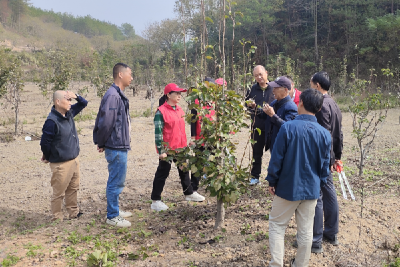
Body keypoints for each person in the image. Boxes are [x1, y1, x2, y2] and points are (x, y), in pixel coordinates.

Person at [266, 88, 331, 267]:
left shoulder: (288, 128)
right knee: (305, 231)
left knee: (278, 226)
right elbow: (325, 166)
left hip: (287, 187)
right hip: (311, 189)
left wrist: (272, 180)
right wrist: (319, 184)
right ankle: (301, 264)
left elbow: (276, 158)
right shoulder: (324, 134)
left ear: (300, 102)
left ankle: (276, 264)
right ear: (318, 109)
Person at [151, 83, 205, 212]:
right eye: (177, 93)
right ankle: (155, 200)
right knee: (162, 173)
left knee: (184, 171)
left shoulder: (179, 109)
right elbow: (158, 133)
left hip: (180, 148)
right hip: (168, 149)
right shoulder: (161, 112)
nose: (179, 96)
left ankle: (189, 193)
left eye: (180, 93)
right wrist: (161, 151)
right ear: (168, 95)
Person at [93, 63, 133, 228]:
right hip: (115, 146)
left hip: (119, 144)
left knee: (118, 180)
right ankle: (112, 215)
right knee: (115, 181)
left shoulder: (117, 94)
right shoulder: (113, 96)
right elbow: (106, 123)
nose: (132, 78)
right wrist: (101, 141)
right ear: (121, 75)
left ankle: (115, 209)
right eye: (130, 74)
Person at [308, 71, 343, 253]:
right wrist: (337, 155)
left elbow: (325, 135)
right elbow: (339, 134)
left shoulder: (321, 105)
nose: (310, 86)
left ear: (318, 86)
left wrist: (326, 159)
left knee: (318, 196)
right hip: (329, 156)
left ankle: (316, 239)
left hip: (321, 157)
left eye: (311, 84)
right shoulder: (334, 103)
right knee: (329, 193)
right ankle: (331, 232)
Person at [40, 90, 88, 221]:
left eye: (70, 100)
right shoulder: (51, 121)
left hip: (74, 160)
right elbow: (45, 143)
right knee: (59, 192)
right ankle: (57, 217)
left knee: (73, 188)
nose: (70, 103)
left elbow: (84, 103)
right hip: (60, 164)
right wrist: (49, 156)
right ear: (58, 102)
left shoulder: (69, 113)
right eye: (68, 100)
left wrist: (76, 96)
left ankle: (73, 212)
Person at [245, 65, 275, 185]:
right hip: (257, 126)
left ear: (266, 73)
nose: (259, 77)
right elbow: (246, 104)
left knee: (275, 152)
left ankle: (274, 177)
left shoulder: (274, 88)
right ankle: (255, 176)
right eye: (256, 75)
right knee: (256, 152)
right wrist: (249, 105)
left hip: (272, 126)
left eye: (261, 74)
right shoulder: (252, 89)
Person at [257, 76, 298, 155]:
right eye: (273, 88)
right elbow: (264, 115)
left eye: (276, 88)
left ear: (285, 90)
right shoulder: (275, 102)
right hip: (274, 145)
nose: (273, 91)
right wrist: (254, 108)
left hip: (284, 148)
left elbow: (289, 128)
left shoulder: (291, 107)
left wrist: (273, 115)